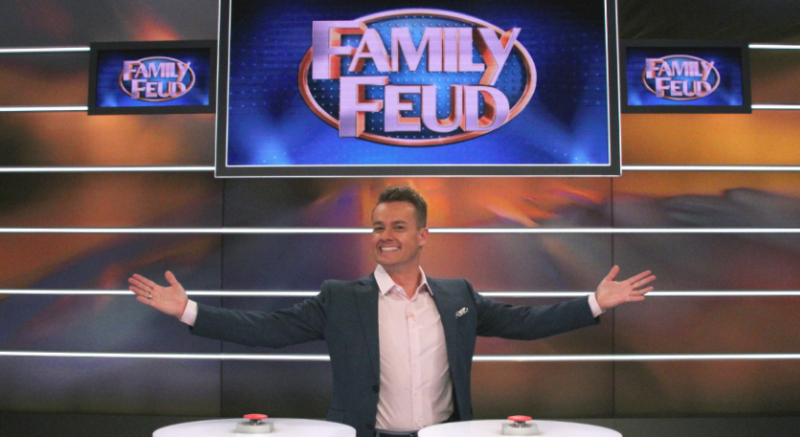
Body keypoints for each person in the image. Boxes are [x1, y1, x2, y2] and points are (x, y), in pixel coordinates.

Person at [129, 186, 655, 437]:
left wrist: (594, 302)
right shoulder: (340, 298)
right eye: (378, 226)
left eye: (399, 227)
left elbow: (525, 323)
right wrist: (189, 310)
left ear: (423, 235)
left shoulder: (458, 297)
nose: (385, 236)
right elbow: (267, 329)